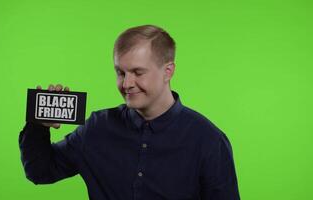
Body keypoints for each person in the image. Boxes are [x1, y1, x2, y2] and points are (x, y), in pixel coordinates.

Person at [19, 24, 240, 200]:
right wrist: (38, 124)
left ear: (168, 71)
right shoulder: (97, 127)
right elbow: (40, 171)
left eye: (137, 72)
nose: (127, 84)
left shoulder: (209, 141)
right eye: (120, 72)